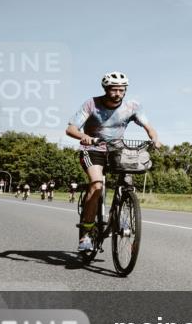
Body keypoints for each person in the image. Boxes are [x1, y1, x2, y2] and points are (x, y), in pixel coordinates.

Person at [65, 71, 161, 252]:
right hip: (93, 150)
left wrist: (154, 139)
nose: (118, 93)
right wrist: (84, 137)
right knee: (97, 185)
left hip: (117, 151)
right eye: (114, 90)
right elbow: (71, 129)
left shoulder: (132, 106)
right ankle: (86, 234)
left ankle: (121, 215)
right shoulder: (91, 104)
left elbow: (149, 127)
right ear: (106, 89)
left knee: (127, 183)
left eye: (121, 90)